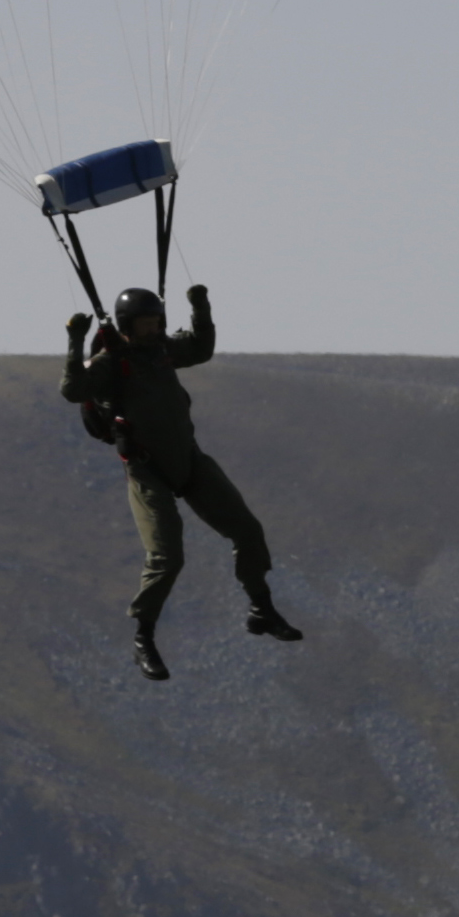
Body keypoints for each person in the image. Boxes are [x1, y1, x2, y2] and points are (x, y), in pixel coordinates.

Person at [63, 283, 302, 680]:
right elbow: (72, 390)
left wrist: (200, 307)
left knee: (247, 530)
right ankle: (144, 638)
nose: (153, 329)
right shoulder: (110, 364)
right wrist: (74, 341)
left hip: (190, 462)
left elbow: (201, 348)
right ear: (126, 325)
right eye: (145, 324)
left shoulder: (162, 352)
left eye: (157, 322)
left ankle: (261, 609)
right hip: (146, 472)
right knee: (167, 557)